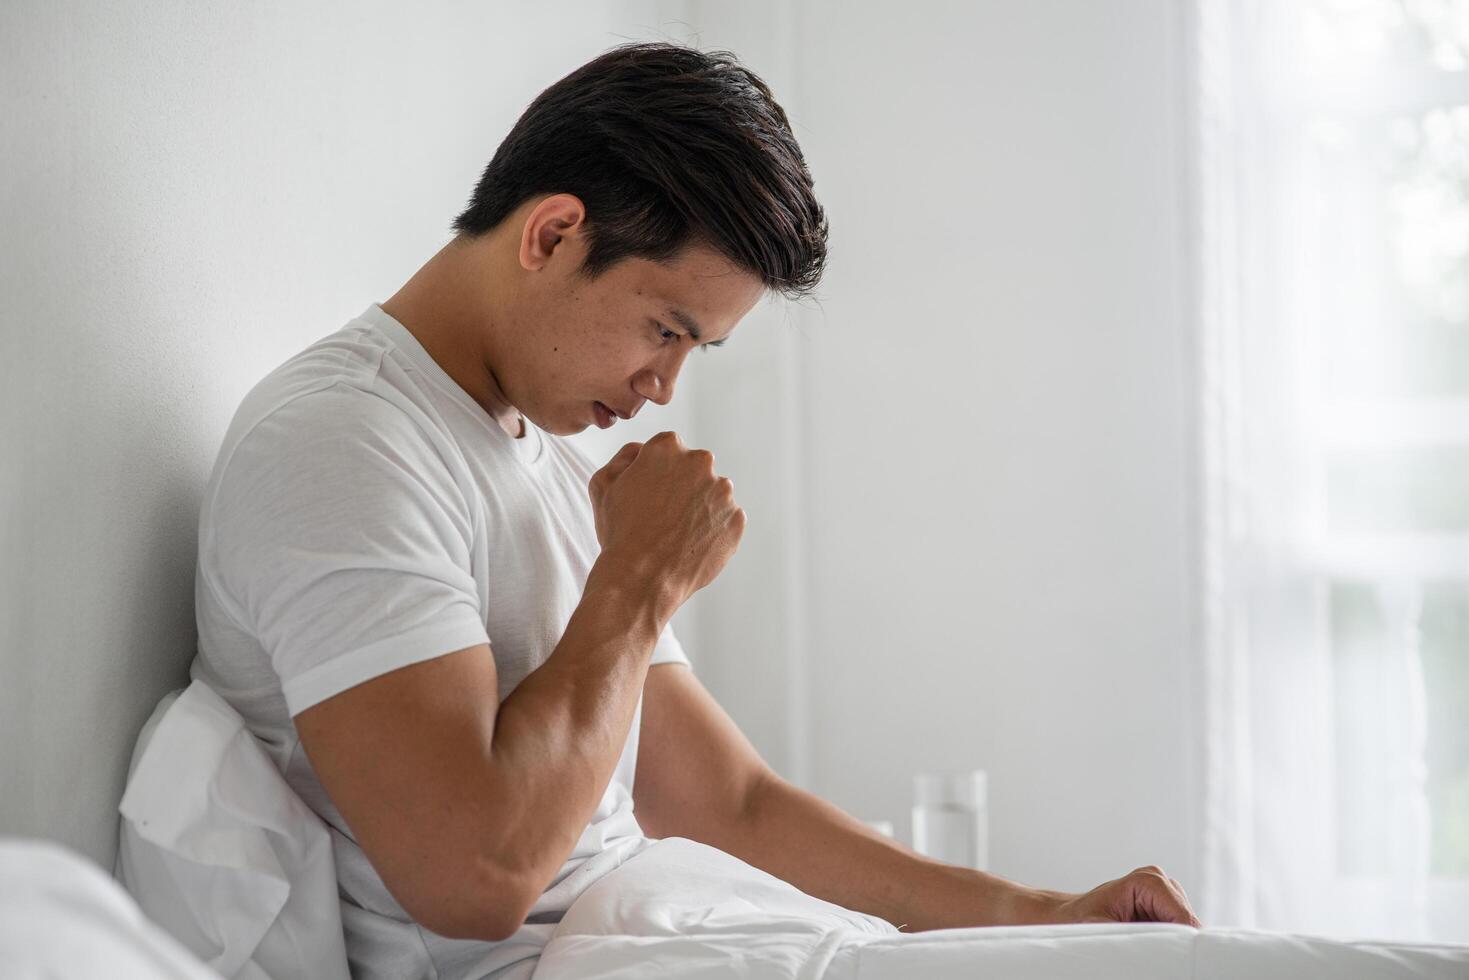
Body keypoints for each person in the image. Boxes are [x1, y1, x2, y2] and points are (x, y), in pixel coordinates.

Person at [189, 41, 1199, 980]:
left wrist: (1049, 911)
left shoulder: (542, 457)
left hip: (677, 928)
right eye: (664, 328)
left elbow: (732, 800)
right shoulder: (341, 442)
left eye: (692, 349)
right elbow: (475, 876)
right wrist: (638, 576)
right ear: (551, 233)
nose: (661, 387)